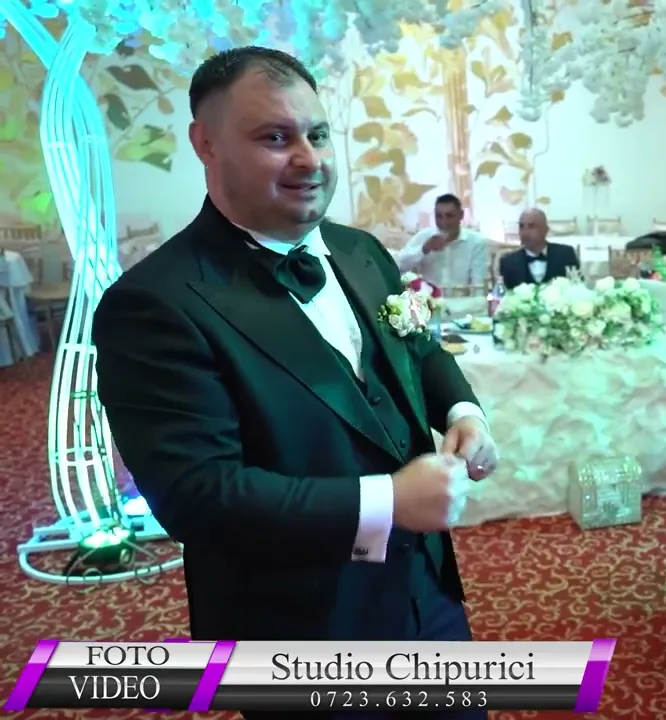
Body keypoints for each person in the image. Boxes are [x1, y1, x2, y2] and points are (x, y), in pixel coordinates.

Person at [92, 47, 497, 719]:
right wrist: (388, 502)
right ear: (206, 143)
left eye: (318, 133)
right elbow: (197, 496)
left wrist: (464, 411)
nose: (309, 160)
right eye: (275, 138)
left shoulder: (362, 252)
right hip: (301, 624)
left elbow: (420, 350)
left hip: (427, 592)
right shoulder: (154, 303)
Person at [395, 193, 491, 289]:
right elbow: (398, 266)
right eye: (439, 216)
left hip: (462, 297)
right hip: (427, 297)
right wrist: (424, 249)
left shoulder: (476, 242)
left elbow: (479, 284)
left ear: (461, 215)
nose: (444, 222)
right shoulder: (424, 236)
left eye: (449, 216)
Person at [497, 208, 579, 288]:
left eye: (531, 226)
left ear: (545, 230)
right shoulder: (508, 262)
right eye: (521, 226)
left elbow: (578, 287)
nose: (525, 232)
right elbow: (503, 294)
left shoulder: (566, 255)